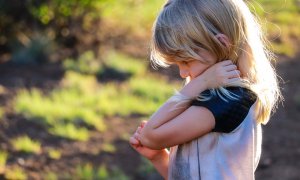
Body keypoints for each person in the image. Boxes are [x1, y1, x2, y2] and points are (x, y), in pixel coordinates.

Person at [129, 0, 281, 179]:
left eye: (186, 61)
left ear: (223, 44)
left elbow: (150, 136)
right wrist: (160, 158)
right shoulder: (218, 97)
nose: (182, 72)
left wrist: (197, 84)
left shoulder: (226, 101)